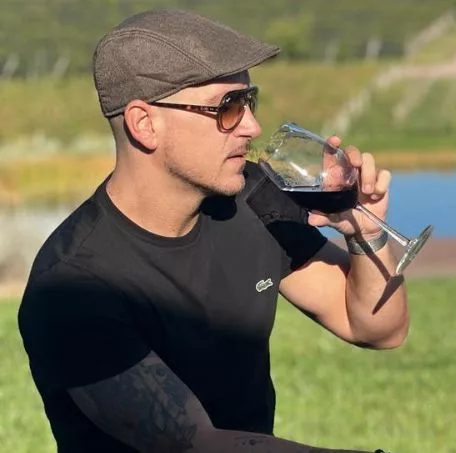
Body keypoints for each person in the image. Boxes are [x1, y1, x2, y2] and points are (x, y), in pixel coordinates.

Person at [17, 9, 407, 453]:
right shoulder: (73, 286)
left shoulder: (252, 197)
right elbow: (196, 444)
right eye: (228, 108)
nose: (252, 126)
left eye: (250, 101)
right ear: (144, 124)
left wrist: (364, 233)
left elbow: (377, 329)